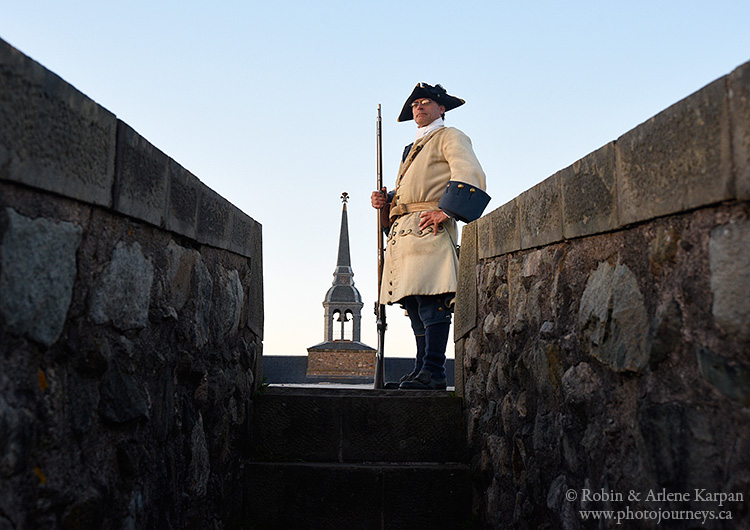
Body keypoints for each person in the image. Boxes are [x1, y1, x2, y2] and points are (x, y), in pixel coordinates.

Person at [371, 82, 490, 390]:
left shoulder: (450, 136)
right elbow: (412, 191)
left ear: (442, 108)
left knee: (432, 300)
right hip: (405, 234)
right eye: (415, 105)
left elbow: (469, 172)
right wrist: (387, 203)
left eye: (425, 103)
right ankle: (422, 368)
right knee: (412, 303)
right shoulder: (410, 150)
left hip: (429, 228)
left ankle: (434, 370)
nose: (419, 108)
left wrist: (447, 212)